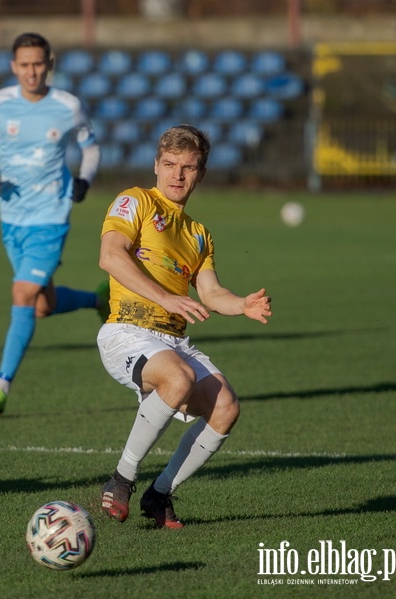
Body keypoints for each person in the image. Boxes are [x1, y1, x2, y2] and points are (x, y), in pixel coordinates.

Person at [97, 125, 272, 529]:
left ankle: (158, 495)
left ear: (201, 174)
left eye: (188, 167)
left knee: (226, 407)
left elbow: (210, 292)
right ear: (156, 166)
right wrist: (165, 297)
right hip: (126, 330)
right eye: (171, 165)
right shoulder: (134, 201)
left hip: (171, 340)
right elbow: (110, 256)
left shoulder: (198, 234)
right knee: (177, 379)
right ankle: (121, 479)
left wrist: (241, 305)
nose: (178, 174)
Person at [0, 32, 106, 416]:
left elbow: (91, 149)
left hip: (51, 217)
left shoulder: (68, 105)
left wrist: (85, 180)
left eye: (38, 63)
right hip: (12, 219)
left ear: (49, 63)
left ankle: (0, 387)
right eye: (24, 65)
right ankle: (98, 299)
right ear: (13, 67)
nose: (32, 71)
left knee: (22, 294)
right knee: (42, 305)